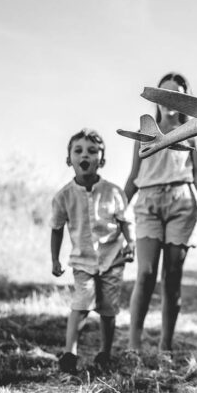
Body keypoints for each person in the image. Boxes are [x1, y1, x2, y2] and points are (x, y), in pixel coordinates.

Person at [124, 71, 197, 356]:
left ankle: (165, 347)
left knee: (172, 276)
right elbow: (133, 176)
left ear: (186, 101)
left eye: (177, 94)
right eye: (165, 93)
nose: (170, 99)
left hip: (182, 203)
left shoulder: (196, 131)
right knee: (145, 273)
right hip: (148, 203)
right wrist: (118, 210)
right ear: (157, 98)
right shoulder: (144, 132)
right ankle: (134, 345)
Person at [50, 128, 134, 373]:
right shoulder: (63, 196)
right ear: (69, 159)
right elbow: (56, 228)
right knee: (82, 302)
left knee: (108, 308)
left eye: (92, 151)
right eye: (78, 151)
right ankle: (69, 353)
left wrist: (130, 243)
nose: (84, 155)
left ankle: (105, 353)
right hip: (82, 261)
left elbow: (125, 222)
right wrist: (55, 259)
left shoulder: (114, 192)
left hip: (112, 259)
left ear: (102, 159)